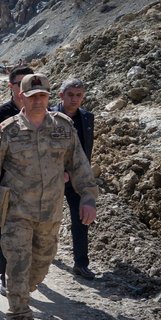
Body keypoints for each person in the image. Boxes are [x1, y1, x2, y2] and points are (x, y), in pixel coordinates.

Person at [0, 73, 98, 320]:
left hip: (50, 211)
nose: (38, 100)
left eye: (43, 95)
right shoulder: (8, 130)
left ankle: (22, 294)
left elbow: (79, 165)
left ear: (49, 97)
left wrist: (88, 197)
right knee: (17, 265)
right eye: (33, 96)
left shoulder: (64, 128)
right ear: (22, 98)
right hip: (15, 210)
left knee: (40, 265)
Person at [0, 65, 34, 296]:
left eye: (28, 82)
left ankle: (28, 275)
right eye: (19, 83)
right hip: (6, 188)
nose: (24, 88)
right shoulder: (0, 114)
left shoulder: (43, 111)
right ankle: (5, 275)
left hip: (36, 189)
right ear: (10, 86)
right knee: (6, 233)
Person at [52, 78, 96, 280]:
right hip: (53, 177)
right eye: (70, 95)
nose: (75, 99)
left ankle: (81, 263)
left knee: (81, 219)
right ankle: (46, 253)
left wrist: (83, 175)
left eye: (79, 95)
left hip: (77, 179)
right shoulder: (48, 117)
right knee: (49, 218)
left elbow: (87, 149)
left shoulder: (87, 118)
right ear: (61, 95)